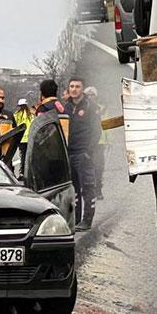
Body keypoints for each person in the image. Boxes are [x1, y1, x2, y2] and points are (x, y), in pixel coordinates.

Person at [65, 77, 101, 231]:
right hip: (69, 153)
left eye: (77, 86)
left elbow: (96, 131)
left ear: (82, 88)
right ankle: (76, 219)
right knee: (74, 189)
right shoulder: (65, 108)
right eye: (71, 86)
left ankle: (87, 220)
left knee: (87, 187)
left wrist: (88, 151)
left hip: (83, 153)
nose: (74, 89)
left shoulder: (90, 106)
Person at [84, 86, 108, 200]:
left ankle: (98, 189)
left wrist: (109, 141)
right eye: (87, 95)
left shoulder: (102, 109)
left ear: (96, 96)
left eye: (92, 95)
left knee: (99, 167)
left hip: (99, 142)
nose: (90, 97)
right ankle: (89, 190)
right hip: (86, 143)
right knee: (88, 168)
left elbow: (106, 125)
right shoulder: (82, 109)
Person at [13, 98, 33, 178]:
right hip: (28, 138)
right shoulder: (30, 115)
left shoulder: (17, 114)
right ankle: (27, 172)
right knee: (28, 156)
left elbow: (15, 126)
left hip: (21, 138)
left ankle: (22, 173)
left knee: (23, 156)